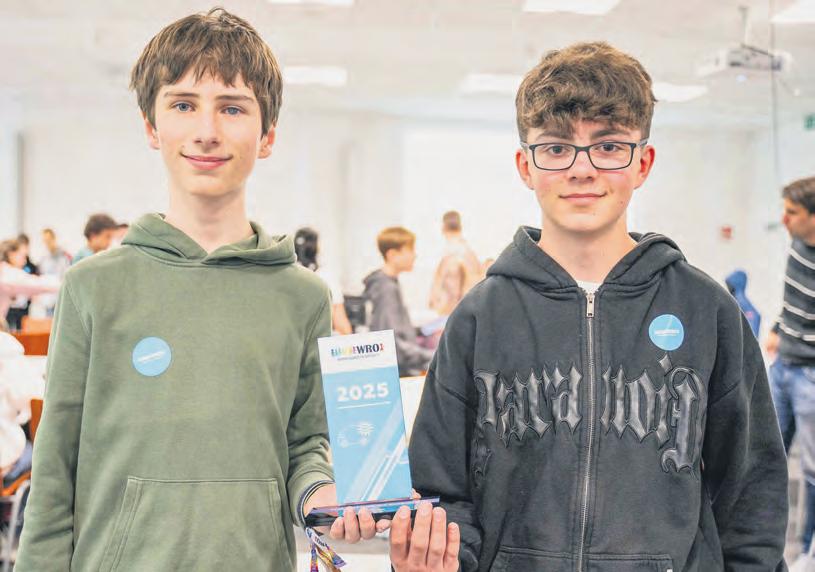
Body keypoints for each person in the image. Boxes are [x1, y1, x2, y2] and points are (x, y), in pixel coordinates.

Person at [396, 42, 788, 571]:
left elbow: (752, 497)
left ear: (643, 162)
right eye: (557, 148)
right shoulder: (480, 316)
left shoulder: (707, 310)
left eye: (607, 146)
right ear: (525, 165)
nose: (582, 170)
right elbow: (440, 490)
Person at [16, 9, 377, 571]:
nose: (207, 130)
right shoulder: (92, 287)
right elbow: (54, 469)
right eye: (183, 105)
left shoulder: (304, 297)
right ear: (151, 127)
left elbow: (307, 445)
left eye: (232, 108)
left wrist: (322, 497)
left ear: (267, 136)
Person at [766, 176, 815, 555]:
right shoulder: (797, 243)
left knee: (812, 469)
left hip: (810, 375)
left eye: (792, 213)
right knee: (763, 455)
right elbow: (793, 298)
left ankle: (806, 550)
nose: (784, 219)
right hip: (782, 367)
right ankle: (760, 546)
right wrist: (777, 327)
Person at [364, 227, 435, 376]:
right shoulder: (386, 288)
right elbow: (393, 344)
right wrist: (434, 356)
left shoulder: (388, 284)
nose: (415, 255)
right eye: (410, 250)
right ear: (392, 254)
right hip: (399, 373)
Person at [294, 227, 353, 335]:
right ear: (316, 248)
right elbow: (340, 323)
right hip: (319, 341)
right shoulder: (326, 277)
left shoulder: (287, 276)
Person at [428, 211, 483, 316]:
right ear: (460, 227)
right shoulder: (471, 253)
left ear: (443, 227)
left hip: (452, 311)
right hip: (469, 309)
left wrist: (435, 300)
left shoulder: (449, 253)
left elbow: (446, 288)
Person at [0, 239, 59, 331]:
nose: (24, 262)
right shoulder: (8, 274)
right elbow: (37, 284)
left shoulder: (4, 271)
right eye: (23, 257)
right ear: (11, 254)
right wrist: (64, 284)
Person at [725, 269, 761, 337]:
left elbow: (753, 323)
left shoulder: (743, 304)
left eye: (730, 286)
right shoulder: (735, 302)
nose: (728, 289)